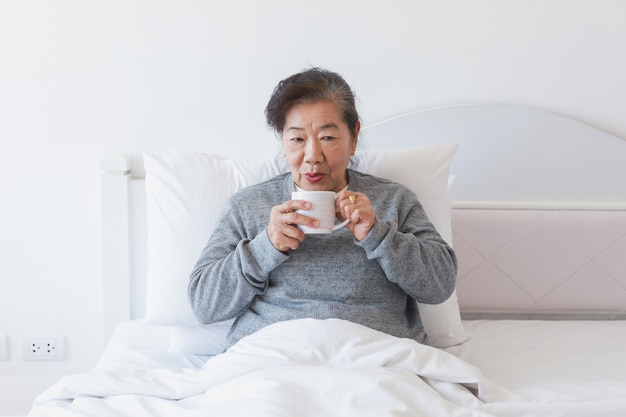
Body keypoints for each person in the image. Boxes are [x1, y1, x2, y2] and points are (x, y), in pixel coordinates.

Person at [188, 67, 457, 348]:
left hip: (375, 354)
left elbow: (440, 287)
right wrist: (265, 247)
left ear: (353, 137)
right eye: (297, 139)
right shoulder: (247, 206)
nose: (313, 157)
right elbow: (204, 306)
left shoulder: (394, 201)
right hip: (273, 353)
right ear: (282, 140)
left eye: (328, 138)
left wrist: (379, 236)